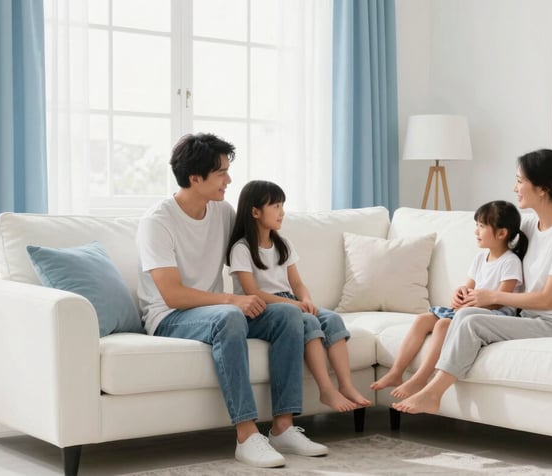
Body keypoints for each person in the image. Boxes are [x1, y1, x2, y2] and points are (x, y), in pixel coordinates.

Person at [137, 133, 328, 469]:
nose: (229, 179)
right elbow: (172, 294)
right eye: (222, 172)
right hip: (170, 317)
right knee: (228, 317)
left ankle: (283, 427)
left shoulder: (223, 212)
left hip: (221, 311)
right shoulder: (158, 222)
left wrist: (290, 296)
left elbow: (258, 248)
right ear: (195, 179)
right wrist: (231, 299)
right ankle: (246, 434)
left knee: (286, 316)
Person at [393, 148, 552, 415]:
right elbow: (495, 258)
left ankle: (433, 392)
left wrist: (493, 297)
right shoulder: (528, 226)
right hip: (529, 318)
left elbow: (550, 299)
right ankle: (425, 384)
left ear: (542, 189)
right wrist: (467, 292)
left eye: (520, 181)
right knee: (465, 314)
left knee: (473, 322)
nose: (514, 188)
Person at [227, 180, 372, 414]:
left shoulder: (282, 244)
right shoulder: (241, 249)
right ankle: (326, 389)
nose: (281, 212)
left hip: (289, 300)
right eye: (275, 206)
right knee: (309, 320)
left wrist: (306, 300)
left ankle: (346, 386)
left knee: (332, 319)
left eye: (282, 206)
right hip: (262, 307)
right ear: (255, 212)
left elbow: (297, 283)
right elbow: (252, 292)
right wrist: (295, 305)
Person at [370, 200, 527, 399]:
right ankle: (395, 372)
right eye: (476, 225)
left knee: (443, 325)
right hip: (472, 308)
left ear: (502, 233)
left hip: (494, 313)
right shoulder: (480, 258)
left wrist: (473, 302)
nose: (476, 231)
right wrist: (460, 294)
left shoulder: (510, 262)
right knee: (423, 320)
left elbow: (502, 299)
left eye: (481, 226)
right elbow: (468, 287)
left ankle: (421, 378)